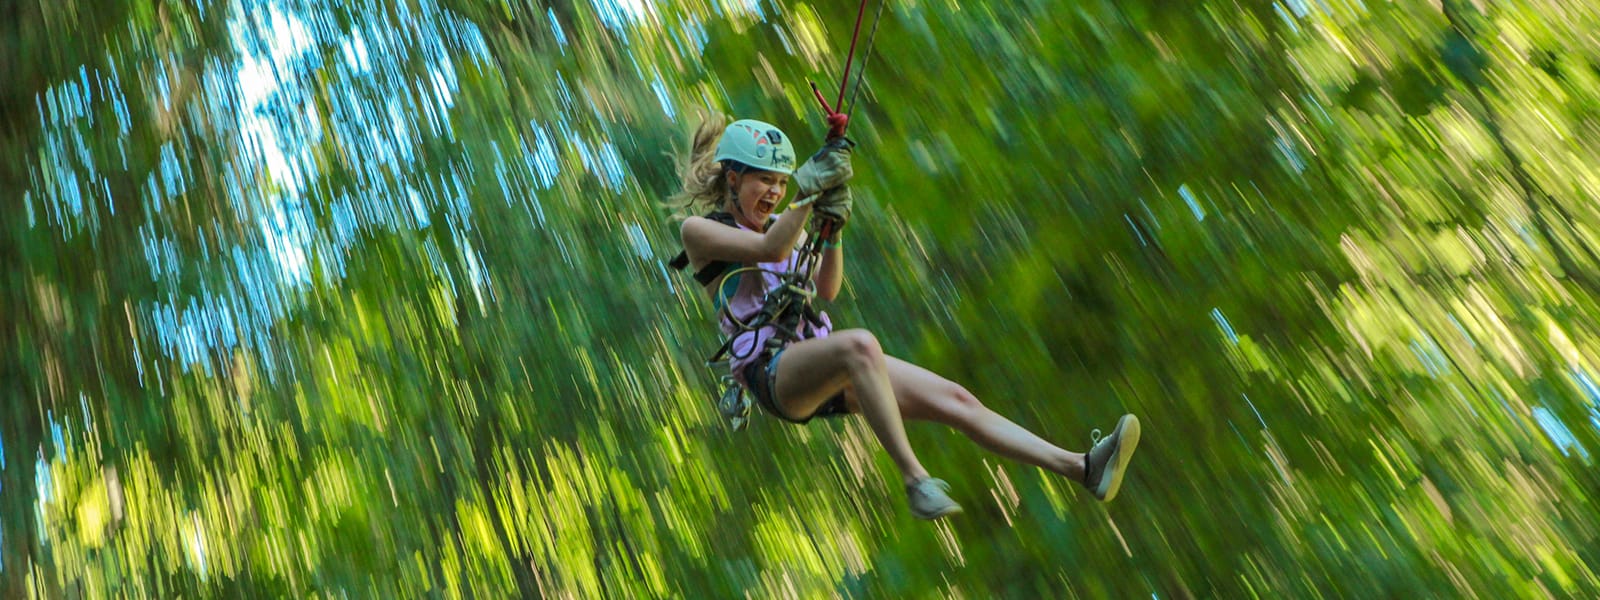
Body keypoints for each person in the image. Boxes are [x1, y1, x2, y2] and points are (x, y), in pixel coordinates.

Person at [672, 115, 1140, 520]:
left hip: (817, 362)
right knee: (862, 345)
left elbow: (828, 286)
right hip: (771, 373)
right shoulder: (702, 231)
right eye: (764, 181)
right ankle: (916, 480)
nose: (775, 192)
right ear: (732, 180)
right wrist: (809, 195)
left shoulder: (781, 225)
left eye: (780, 181)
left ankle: (1083, 468)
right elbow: (769, 250)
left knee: (957, 399)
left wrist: (831, 233)